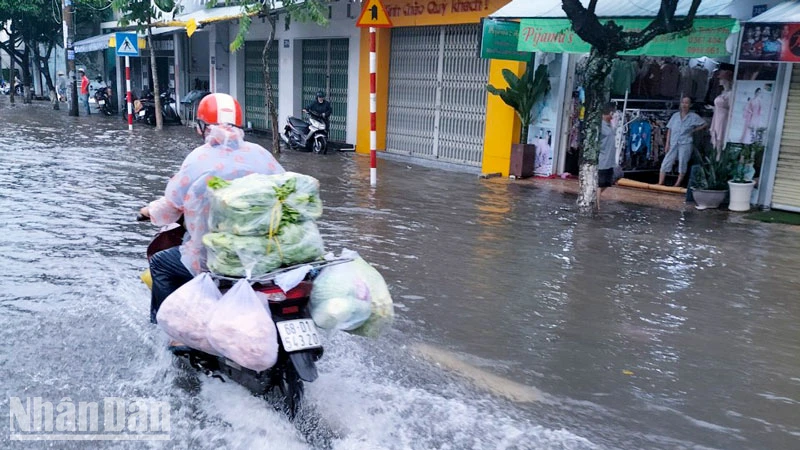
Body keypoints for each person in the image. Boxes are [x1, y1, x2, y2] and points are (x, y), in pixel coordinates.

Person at [139, 93, 285, 324]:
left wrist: (148, 211)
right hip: (266, 252)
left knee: (161, 263)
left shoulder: (199, 157)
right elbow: (286, 191)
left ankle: (169, 333)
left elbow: (172, 206)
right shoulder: (261, 154)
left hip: (218, 256)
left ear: (201, 127)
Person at [658, 96, 708, 187]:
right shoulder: (675, 116)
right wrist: (667, 143)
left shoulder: (693, 116)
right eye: (683, 102)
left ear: (690, 105)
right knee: (666, 161)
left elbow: (704, 124)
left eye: (686, 103)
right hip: (674, 142)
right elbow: (669, 129)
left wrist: (694, 130)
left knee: (682, 162)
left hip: (686, 143)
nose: (684, 105)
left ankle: (677, 184)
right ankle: (660, 182)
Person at [597, 103, 618, 208]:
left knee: (609, 181)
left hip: (610, 160)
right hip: (602, 159)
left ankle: (596, 198)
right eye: (613, 113)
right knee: (599, 183)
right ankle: (597, 204)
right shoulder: (600, 125)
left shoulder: (610, 125)